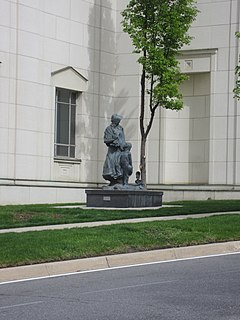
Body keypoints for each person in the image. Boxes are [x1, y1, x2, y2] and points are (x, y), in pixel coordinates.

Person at [102, 114, 126, 185]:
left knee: (121, 163)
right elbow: (106, 140)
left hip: (120, 150)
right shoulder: (108, 129)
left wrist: (122, 144)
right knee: (111, 164)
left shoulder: (120, 128)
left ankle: (120, 179)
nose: (119, 122)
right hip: (112, 151)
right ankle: (113, 179)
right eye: (118, 120)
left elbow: (123, 139)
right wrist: (113, 140)